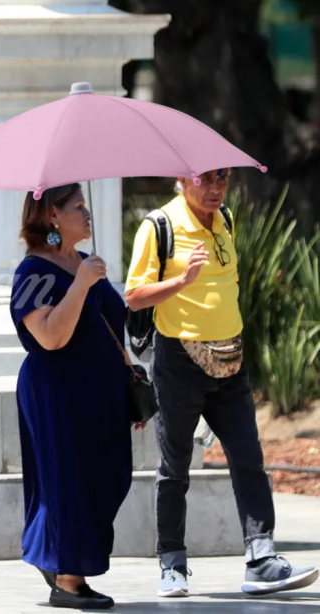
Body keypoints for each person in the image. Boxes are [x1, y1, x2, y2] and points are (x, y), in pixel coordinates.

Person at [125, 169, 319, 598]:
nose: (215, 188)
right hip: (178, 362)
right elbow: (135, 296)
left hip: (231, 361)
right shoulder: (159, 225)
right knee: (174, 468)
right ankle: (172, 564)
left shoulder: (225, 218)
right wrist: (181, 282)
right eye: (206, 179)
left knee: (249, 457)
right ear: (183, 178)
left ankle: (262, 560)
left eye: (223, 179)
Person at [9, 183, 135, 610]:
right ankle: (67, 577)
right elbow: (50, 337)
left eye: (85, 205)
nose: (87, 213)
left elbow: (111, 326)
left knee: (109, 477)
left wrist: (126, 383)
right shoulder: (32, 272)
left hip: (101, 392)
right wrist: (80, 284)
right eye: (77, 207)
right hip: (56, 392)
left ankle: (62, 561)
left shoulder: (85, 262)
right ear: (52, 216)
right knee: (69, 482)